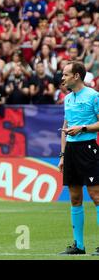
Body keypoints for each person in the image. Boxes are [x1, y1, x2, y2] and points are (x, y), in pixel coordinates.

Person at [58, 62, 99, 256]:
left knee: (96, 196)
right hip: (72, 152)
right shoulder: (67, 99)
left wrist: (82, 128)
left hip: (88, 149)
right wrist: (63, 155)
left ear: (76, 76)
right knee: (75, 198)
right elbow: (65, 127)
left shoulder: (93, 96)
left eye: (65, 74)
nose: (62, 78)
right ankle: (79, 246)